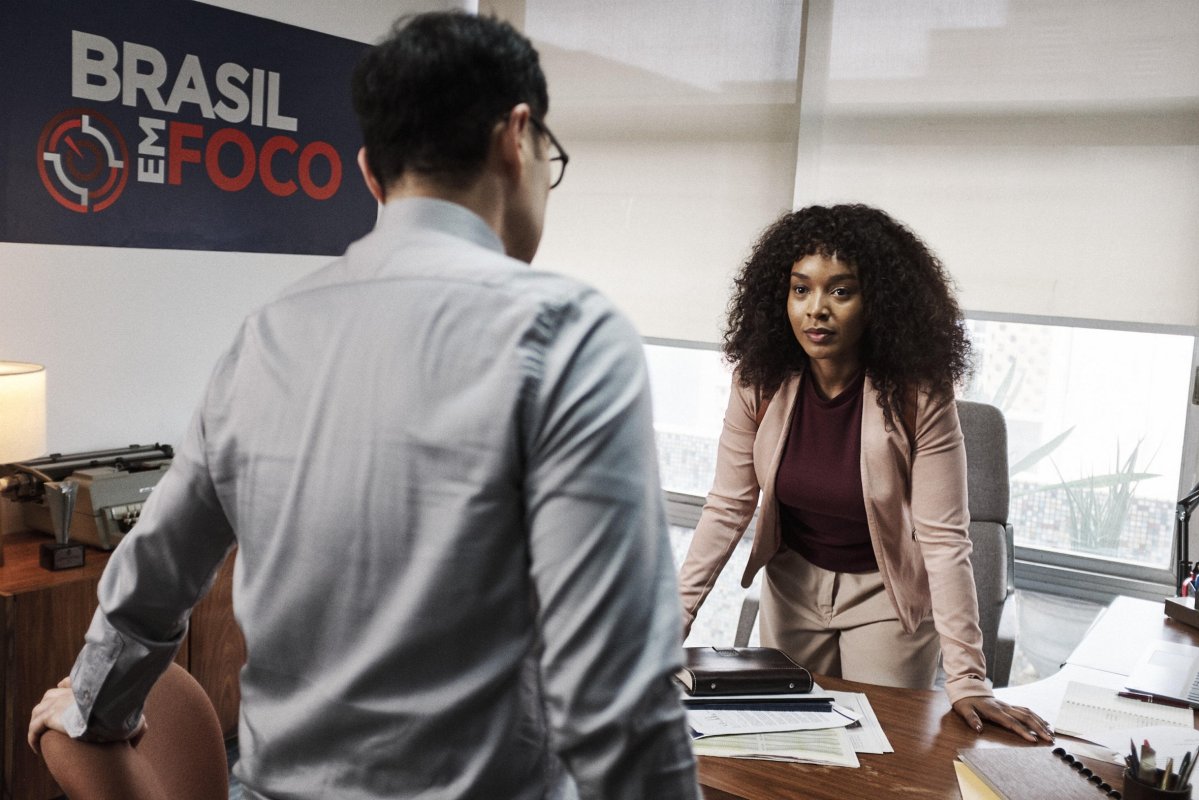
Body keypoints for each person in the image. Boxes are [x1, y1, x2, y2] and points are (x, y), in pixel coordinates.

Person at [28, 12, 700, 800]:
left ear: (370, 175)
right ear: (515, 138)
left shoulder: (266, 337)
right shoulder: (569, 337)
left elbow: (146, 590)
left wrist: (96, 719)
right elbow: (618, 703)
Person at [676, 204, 1053, 742]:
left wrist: (970, 679)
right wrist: (674, 619)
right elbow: (728, 506)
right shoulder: (758, 381)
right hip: (792, 587)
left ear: (877, 301)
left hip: (885, 598)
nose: (816, 310)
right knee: (780, 749)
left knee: (882, 756)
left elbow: (945, 538)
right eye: (801, 289)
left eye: (841, 291)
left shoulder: (919, 392)